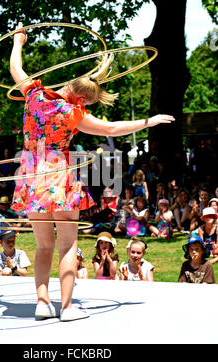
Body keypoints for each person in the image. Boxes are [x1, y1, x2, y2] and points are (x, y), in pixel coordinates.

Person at [9, 22, 174, 321]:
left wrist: (18, 41)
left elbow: (16, 70)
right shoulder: (74, 114)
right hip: (58, 176)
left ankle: (42, 303)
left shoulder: (33, 95)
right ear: (82, 98)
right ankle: (68, 308)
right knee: (68, 243)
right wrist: (150, 121)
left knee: (43, 245)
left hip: (32, 174)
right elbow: (112, 128)